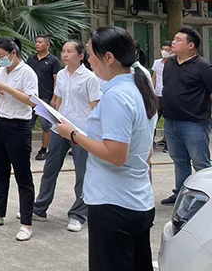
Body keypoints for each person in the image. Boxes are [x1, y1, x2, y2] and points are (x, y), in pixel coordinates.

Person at [55, 26, 158, 270]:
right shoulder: (139, 87)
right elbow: (148, 150)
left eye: (91, 54)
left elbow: (116, 155)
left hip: (114, 203)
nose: (89, 60)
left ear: (109, 57)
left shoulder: (117, 95)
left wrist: (73, 134)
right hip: (138, 200)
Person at [32, 40, 101, 232]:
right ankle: (40, 208)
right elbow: (58, 99)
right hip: (59, 128)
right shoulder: (61, 75)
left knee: (82, 174)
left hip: (81, 132)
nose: (65, 55)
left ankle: (78, 214)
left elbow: (95, 106)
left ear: (81, 56)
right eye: (63, 51)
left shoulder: (90, 78)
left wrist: (93, 133)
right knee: (50, 170)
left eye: (70, 52)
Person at [0, 37, 38, 242]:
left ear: (14, 53)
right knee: (0, 172)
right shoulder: (0, 71)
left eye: (2, 56)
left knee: (22, 175)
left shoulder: (27, 73)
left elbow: (31, 101)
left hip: (18, 126)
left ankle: (26, 223)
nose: (0, 59)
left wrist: (7, 89)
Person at [160, 27, 212, 206]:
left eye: (179, 39)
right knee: (179, 160)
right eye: (174, 39)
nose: (173, 42)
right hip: (171, 121)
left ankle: (204, 197)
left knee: (201, 163)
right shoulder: (170, 64)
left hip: (195, 123)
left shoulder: (203, 67)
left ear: (191, 45)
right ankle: (180, 194)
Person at [26, 35, 60, 161]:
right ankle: (26, 147)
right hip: (32, 97)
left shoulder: (53, 60)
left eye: (40, 42)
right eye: (36, 42)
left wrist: (54, 98)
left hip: (46, 97)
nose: (37, 44)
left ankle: (44, 149)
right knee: (28, 124)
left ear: (47, 45)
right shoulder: (31, 59)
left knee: (46, 125)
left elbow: (56, 80)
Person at [152, 41, 171, 152]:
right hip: (157, 95)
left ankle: (168, 144)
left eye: (167, 50)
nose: (164, 51)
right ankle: (151, 141)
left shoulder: (173, 63)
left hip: (168, 96)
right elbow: (154, 77)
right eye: (163, 49)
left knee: (168, 120)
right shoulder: (157, 63)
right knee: (154, 118)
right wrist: (151, 91)